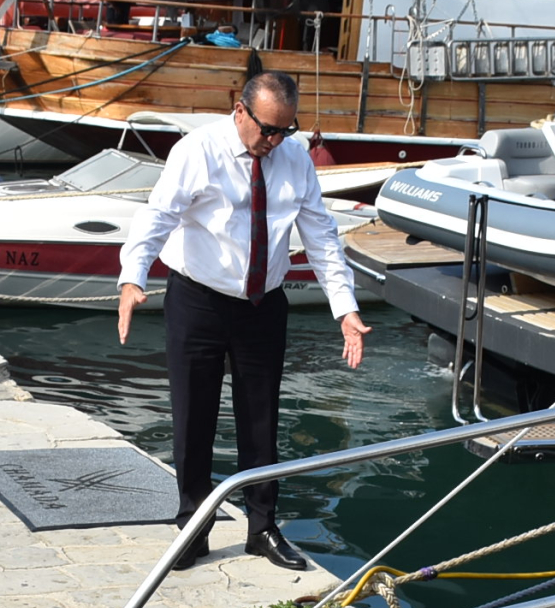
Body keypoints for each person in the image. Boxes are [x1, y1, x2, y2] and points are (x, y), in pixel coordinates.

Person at [116, 72, 368, 570]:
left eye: (284, 131)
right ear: (240, 110)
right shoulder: (197, 151)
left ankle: (263, 527)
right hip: (198, 300)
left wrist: (346, 308)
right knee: (194, 418)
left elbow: (320, 236)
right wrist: (132, 277)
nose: (273, 141)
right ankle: (193, 526)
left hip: (262, 304)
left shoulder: (294, 159)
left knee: (262, 421)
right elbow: (157, 216)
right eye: (267, 130)